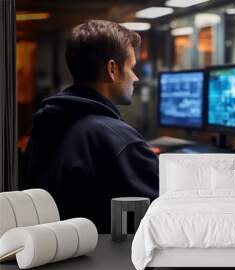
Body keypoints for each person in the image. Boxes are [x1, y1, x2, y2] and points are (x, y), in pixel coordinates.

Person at [22, 20, 159, 233]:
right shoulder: (115, 137)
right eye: (132, 68)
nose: (136, 78)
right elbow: (167, 203)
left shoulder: (48, 121)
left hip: (57, 250)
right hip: (103, 257)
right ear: (112, 69)